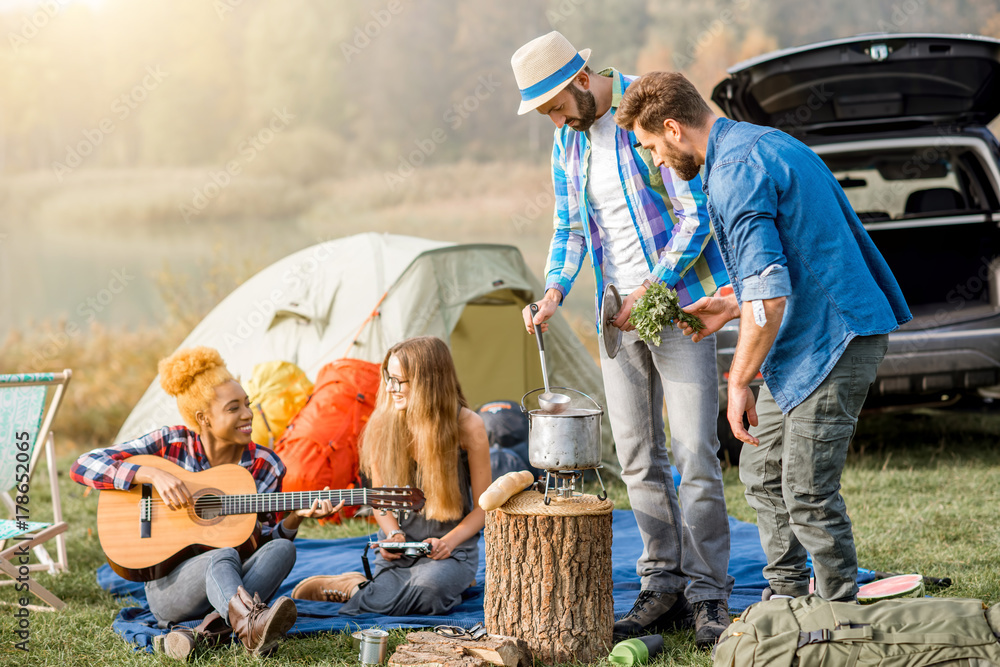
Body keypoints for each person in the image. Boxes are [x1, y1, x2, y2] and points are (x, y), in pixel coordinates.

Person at [614, 71, 912, 604]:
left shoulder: (734, 172)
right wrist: (729, 304)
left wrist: (739, 380)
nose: (656, 162)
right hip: (799, 339)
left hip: (836, 339)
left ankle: (839, 617)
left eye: (652, 147)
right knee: (761, 469)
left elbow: (770, 299)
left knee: (807, 490)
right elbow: (785, 261)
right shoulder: (758, 143)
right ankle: (786, 597)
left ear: (673, 128)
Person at [510, 31, 734, 647]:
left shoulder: (648, 108)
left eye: (555, 107)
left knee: (694, 452)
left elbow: (697, 214)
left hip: (680, 305)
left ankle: (709, 594)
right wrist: (553, 291)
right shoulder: (567, 141)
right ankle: (661, 585)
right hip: (616, 312)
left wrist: (653, 292)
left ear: (582, 79)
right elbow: (568, 228)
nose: (555, 122)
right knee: (637, 456)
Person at [71, 347, 339, 659]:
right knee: (220, 555)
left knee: (284, 549)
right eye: (233, 408)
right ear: (204, 418)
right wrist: (149, 474)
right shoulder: (171, 443)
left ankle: (208, 632)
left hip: (235, 578)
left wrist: (296, 517)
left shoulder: (266, 465)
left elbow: (261, 541)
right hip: (171, 590)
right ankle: (248, 624)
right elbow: (83, 464)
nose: (248, 414)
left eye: (247, 404)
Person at [291, 336, 491, 617]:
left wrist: (449, 542)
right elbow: (379, 500)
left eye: (398, 380)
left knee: (428, 592)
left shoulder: (469, 425)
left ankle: (361, 592)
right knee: (417, 594)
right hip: (400, 551)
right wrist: (393, 534)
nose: (389, 388)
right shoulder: (382, 424)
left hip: (452, 549)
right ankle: (354, 586)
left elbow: (485, 507)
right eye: (388, 378)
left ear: (427, 382)